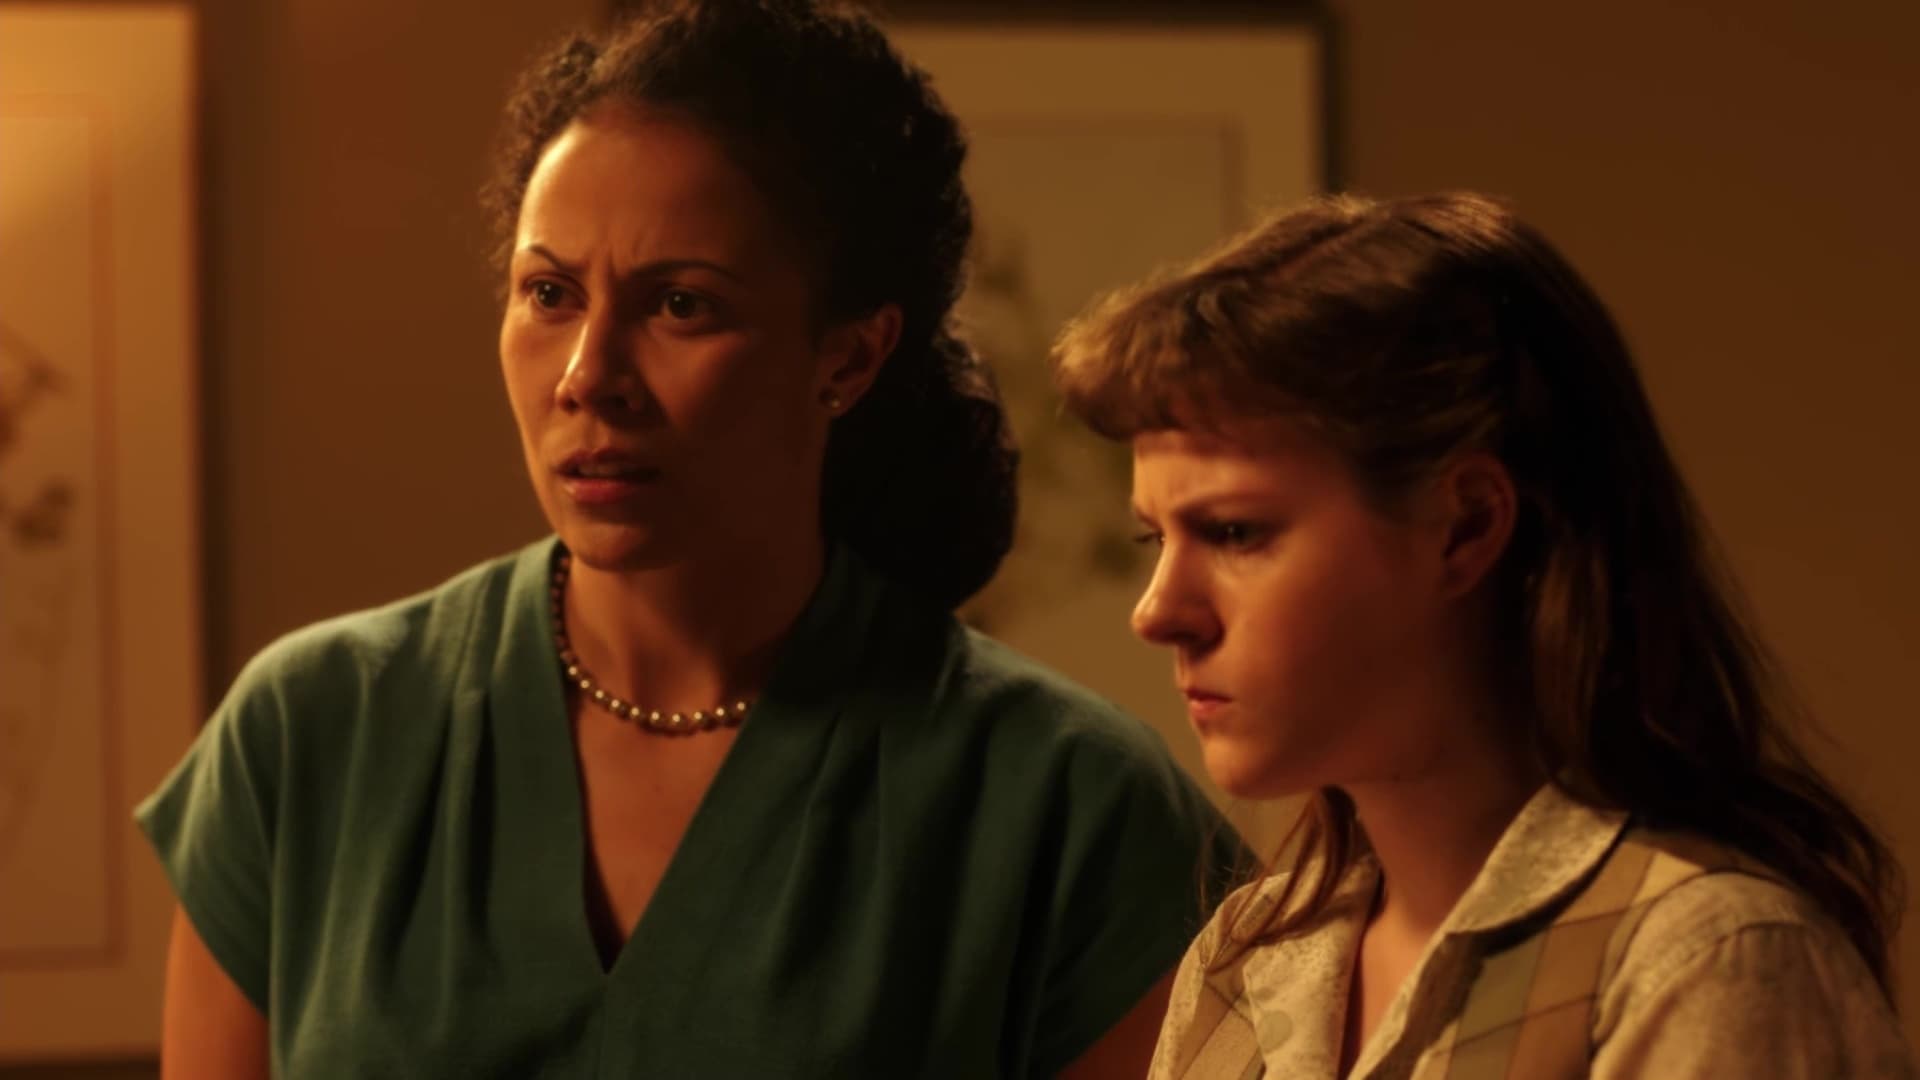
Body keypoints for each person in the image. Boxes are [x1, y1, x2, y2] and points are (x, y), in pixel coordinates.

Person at [137, 2, 1244, 1075]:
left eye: (680, 305)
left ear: (848, 357)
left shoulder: (1065, 807)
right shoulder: (313, 734)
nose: (589, 377)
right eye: (550, 293)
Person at [1051, 192, 1916, 1078]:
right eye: (1154, 540)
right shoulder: (1243, 959)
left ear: (1463, 526)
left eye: (1235, 532)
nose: (1158, 612)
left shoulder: (1699, 965)